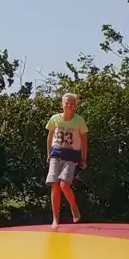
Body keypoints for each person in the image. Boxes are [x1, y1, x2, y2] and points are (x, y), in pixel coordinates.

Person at [45, 93, 87, 226]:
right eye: (66, 102)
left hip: (71, 155)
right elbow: (50, 136)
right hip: (56, 153)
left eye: (72, 103)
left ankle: (73, 206)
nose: (69, 105)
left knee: (64, 184)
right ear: (62, 104)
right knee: (55, 185)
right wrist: (49, 153)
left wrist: (84, 158)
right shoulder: (55, 119)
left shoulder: (79, 120)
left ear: (75, 106)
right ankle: (55, 218)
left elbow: (84, 140)